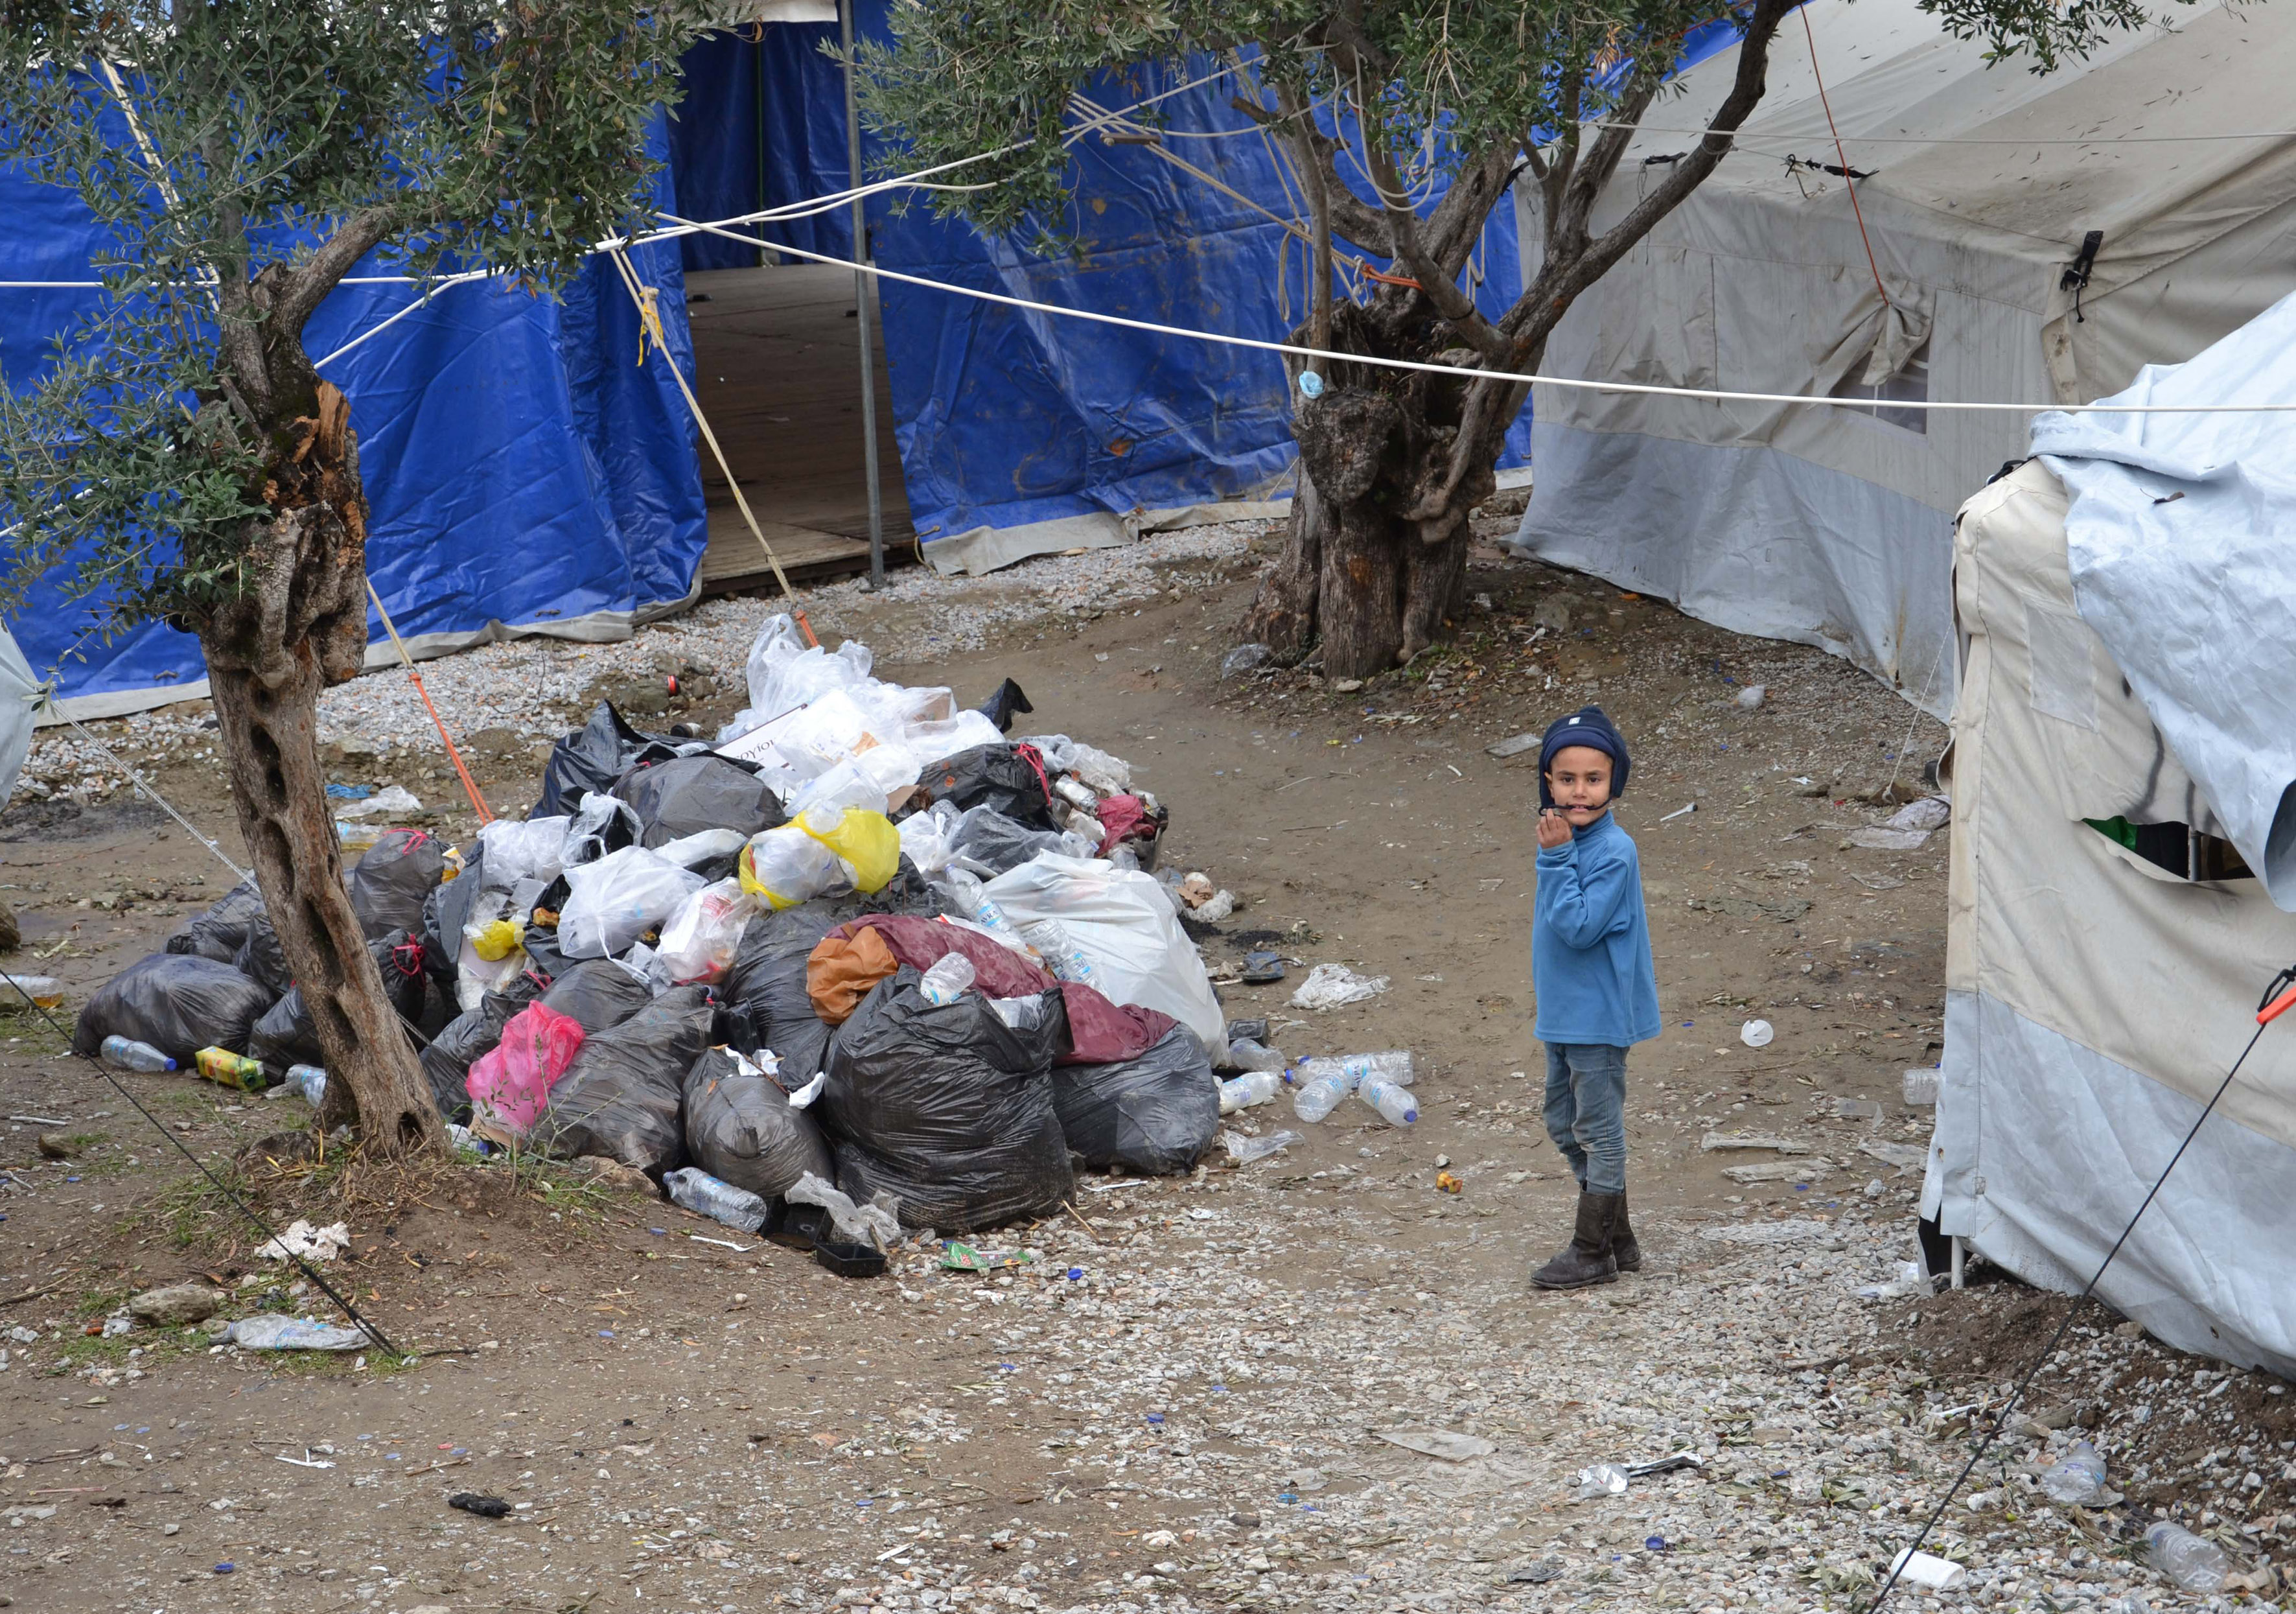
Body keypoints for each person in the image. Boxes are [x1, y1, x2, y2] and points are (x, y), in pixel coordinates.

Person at [1528, 705, 1660, 1289]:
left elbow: (1579, 928)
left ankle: (1590, 1250)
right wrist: (1555, 854)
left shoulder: (1613, 851)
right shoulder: (1561, 839)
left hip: (1600, 1014)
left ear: (1615, 783)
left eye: (1593, 779)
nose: (1578, 792)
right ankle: (1619, 1239)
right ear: (1547, 782)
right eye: (1565, 778)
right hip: (1564, 1011)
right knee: (1561, 1122)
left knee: (1599, 1131)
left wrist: (1556, 858)